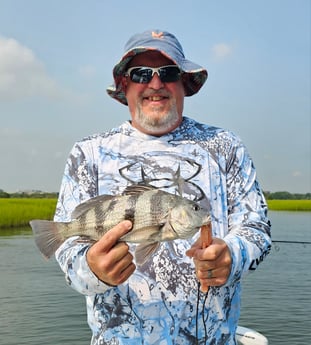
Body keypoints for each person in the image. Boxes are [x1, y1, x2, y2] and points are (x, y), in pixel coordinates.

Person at [54, 29, 271, 345]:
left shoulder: (225, 146)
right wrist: (92, 269)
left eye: (168, 72)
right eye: (141, 73)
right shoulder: (88, 152)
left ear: (183, 82)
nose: (155, 83)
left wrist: (232, 256)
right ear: (125, 85)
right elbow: (66, 253)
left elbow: (257, 228)